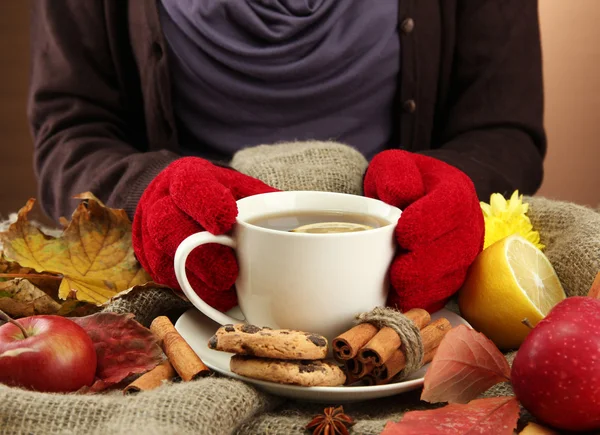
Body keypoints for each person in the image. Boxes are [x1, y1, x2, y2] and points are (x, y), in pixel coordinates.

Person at [28, 0, 544, 312]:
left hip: (403, 292)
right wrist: (151, 194)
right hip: (189, 283)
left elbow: (504, 132)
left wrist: (448, 188)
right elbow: (69, 133)